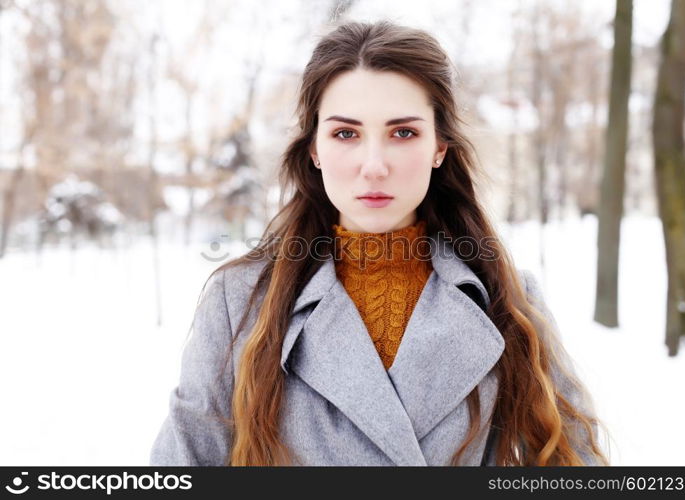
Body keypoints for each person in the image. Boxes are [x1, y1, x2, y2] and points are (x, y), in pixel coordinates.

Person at [150, 20, 610, 466]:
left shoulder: (506, 298)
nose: (374, 166)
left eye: (403, 133)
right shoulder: (242, 300)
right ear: (314, 148)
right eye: (346, 133)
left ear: (439, 148)